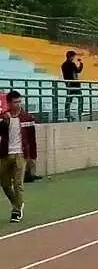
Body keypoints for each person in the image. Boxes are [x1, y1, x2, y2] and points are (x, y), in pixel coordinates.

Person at [0, 91, 37, 223]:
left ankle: (16, 211)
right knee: (4, 183)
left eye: (20, 101)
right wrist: (4, 121)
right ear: (9, 103)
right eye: (15, 102)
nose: (18, 104)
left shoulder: (27, 117)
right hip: (5, 154)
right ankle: (17, 203)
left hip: (21, 154)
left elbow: (32, 139)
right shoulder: (3, 117)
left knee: (18, 184)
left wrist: (33, 157)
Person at [61, 50, 84, 121]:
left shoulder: (63, 65)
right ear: (70, 57)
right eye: (73, 57)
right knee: (80, 99)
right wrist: (81, 63)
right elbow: (78, 71)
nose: (73, 58)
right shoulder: (72, 64)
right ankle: (80, 112)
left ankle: (67, 114)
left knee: (68, 100)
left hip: (68, 85)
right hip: (75, 84)